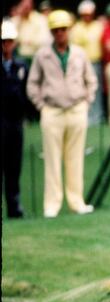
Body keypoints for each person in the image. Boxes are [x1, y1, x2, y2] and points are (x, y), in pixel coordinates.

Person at [27, 10, 97, 218]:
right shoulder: (42, 54)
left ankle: (77, 202)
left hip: (76, 109)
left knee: (75, 159)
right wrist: (41, 106)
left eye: (63, 30)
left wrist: (86, 102)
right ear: (51, 32)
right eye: (56, 30)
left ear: (69, 30)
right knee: (52, 159)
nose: (60, 34)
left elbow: (91, 80)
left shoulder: (79, 53)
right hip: (52, 111)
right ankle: (52, 205)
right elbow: (33, 84)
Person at [2, 20, 27, 219]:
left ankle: (14, 205)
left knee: (14, 166)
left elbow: (23, 95)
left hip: (15, 123)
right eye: (3, 42)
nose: (6, 46)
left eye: (9, 41)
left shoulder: (20, 66)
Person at [70, 0, 105, 125]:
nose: (87, 16)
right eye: (84, 14)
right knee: (82, 90)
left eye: (89, 13)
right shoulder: (76, 28)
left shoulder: (99, 25)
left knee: (97, 90)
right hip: (81, 63)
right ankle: (85, 117)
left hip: (96, 61)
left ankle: (98, 117)